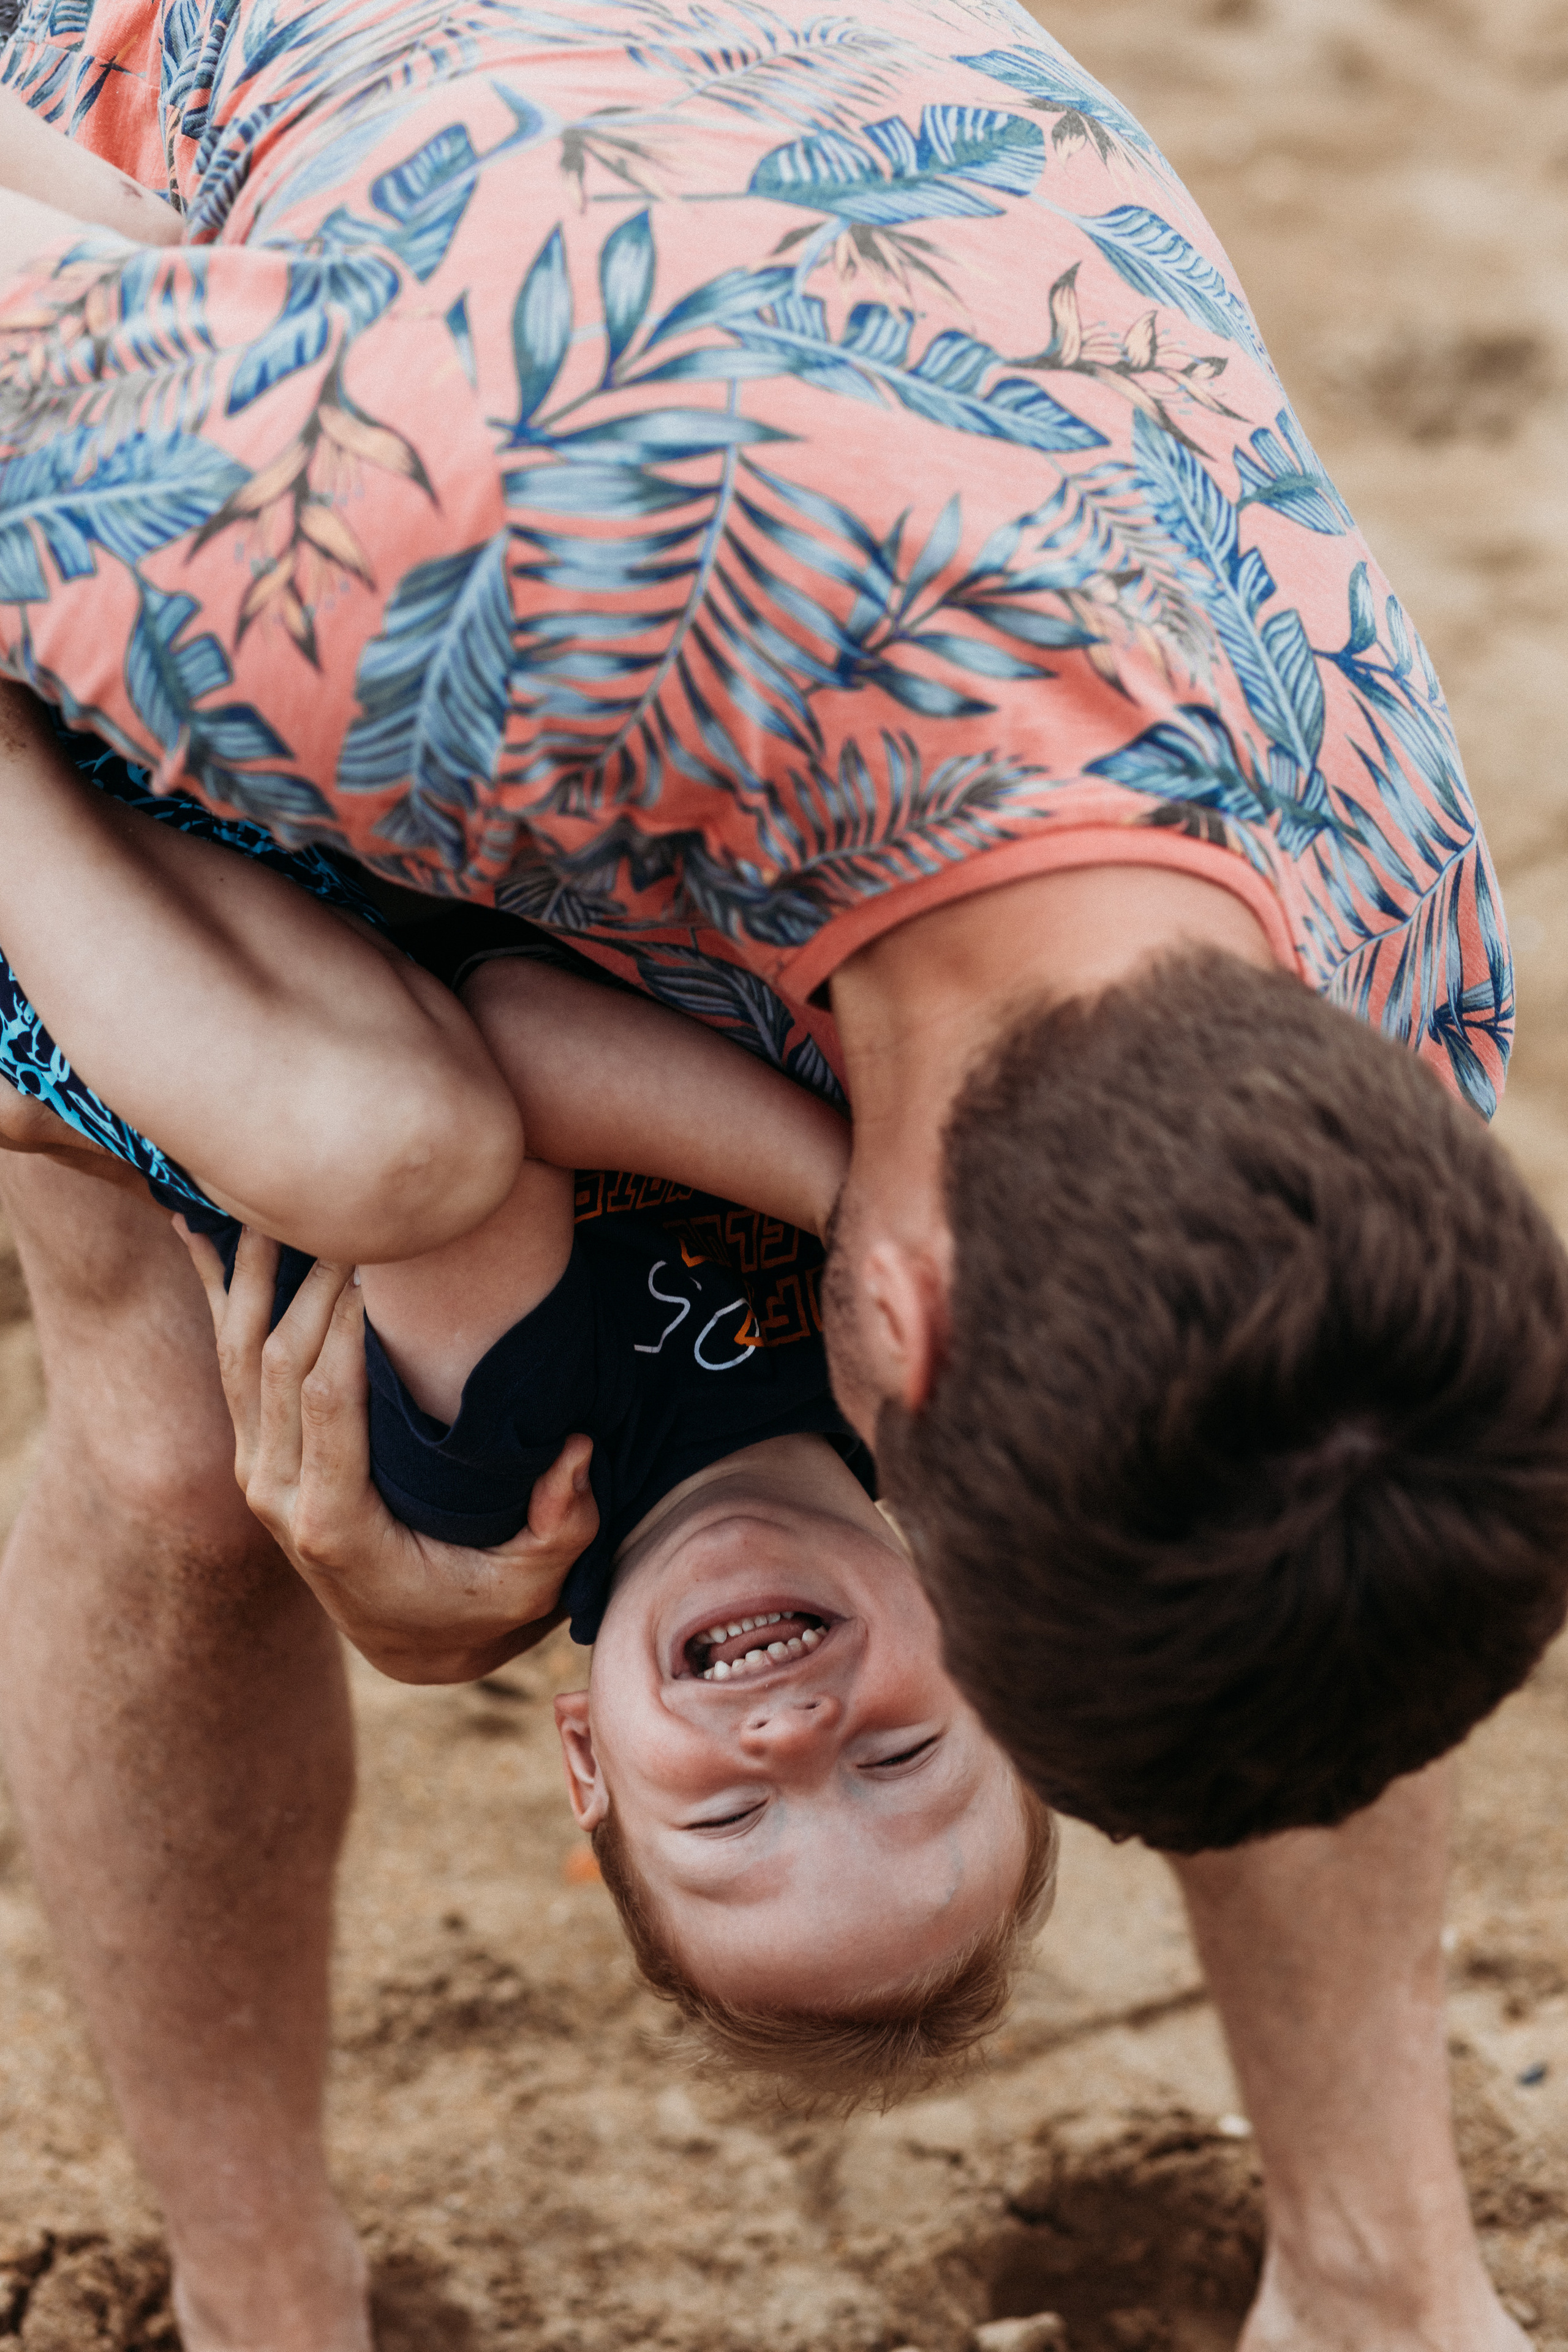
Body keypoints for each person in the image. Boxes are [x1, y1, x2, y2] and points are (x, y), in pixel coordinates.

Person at [0, 1, 1555, 2344]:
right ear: (899, 1322)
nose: (813, 1728)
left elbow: (1295, 1459)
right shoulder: (391, 570)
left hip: (783, 259)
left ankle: (1383, 2287)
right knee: (178, 1409)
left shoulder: (1384, 970)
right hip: (399, 342)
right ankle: (257, 2293)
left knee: (1269, 1477)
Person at [0, 704, 1050, 2103]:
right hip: (378, 842)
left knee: (405, 1156)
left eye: (732, 1814)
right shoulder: (923, 1396)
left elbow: (512, 1045)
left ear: (585, 1759)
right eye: (898, 1752)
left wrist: (843, 1204)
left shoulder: (506, 1476)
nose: (796, 1738)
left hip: (146, 922)